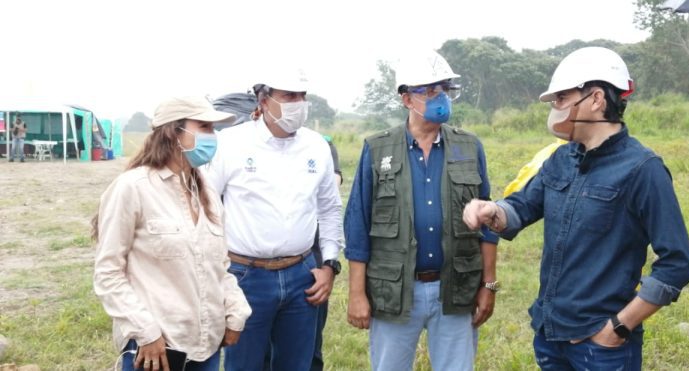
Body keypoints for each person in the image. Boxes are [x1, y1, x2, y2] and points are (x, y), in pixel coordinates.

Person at [463, 47, 689, 370]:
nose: (556, 109)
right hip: (550, 334)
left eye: (562, 98)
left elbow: (678, 263)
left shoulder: (643, 169)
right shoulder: (561, 158)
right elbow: (522, 207)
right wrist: (493, 212)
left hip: (603, 347)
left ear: (596, 99)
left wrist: (618, 327)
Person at [344, 50, 499, 371]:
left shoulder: (469, 147)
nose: (439, 97)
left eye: (444, 89)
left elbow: (489, 224)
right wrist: (357, 294)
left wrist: (488, 285)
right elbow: (357, 224)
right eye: (428, 90)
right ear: (406, 99)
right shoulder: (377, 149)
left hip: (456, 287)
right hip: (394, 289)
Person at [93, 96, 252, 371]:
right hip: (156, 350)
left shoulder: (207, 191)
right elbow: (108, 273)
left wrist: (235, 309)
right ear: (173, 132)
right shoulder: (133, 188)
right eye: (204, 127)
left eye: (213, 129)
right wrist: (146, 332)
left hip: (206, 347)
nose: (212, 137)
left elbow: (219, 266)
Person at [204, 67, 343, 371]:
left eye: (302, 96)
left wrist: (330, 265)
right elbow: (206, 208)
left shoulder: (316, 146)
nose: (298, 103)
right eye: (289, 96)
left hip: (302, 275)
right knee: (244, 365)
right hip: (245, 276)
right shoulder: (231, 143)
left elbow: (330, 208)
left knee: (298, 364)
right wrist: (216, 272)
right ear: (263, 100)